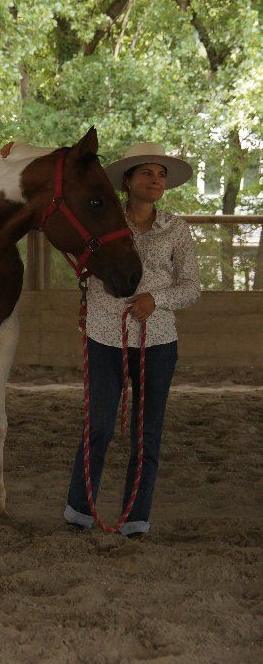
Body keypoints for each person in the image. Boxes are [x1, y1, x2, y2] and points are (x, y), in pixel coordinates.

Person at [64, 142, 201, 539]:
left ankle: (137, 517)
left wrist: (155, 300)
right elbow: (85, 267)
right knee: (100, 427)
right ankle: (79, 509)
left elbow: (191, 286)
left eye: (160, 175)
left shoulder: (176, 228)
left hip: (158, 339)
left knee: (148, 432)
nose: (155, 180)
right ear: (128, 180)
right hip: (105, 335)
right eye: (147, 173)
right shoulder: (104, 221)